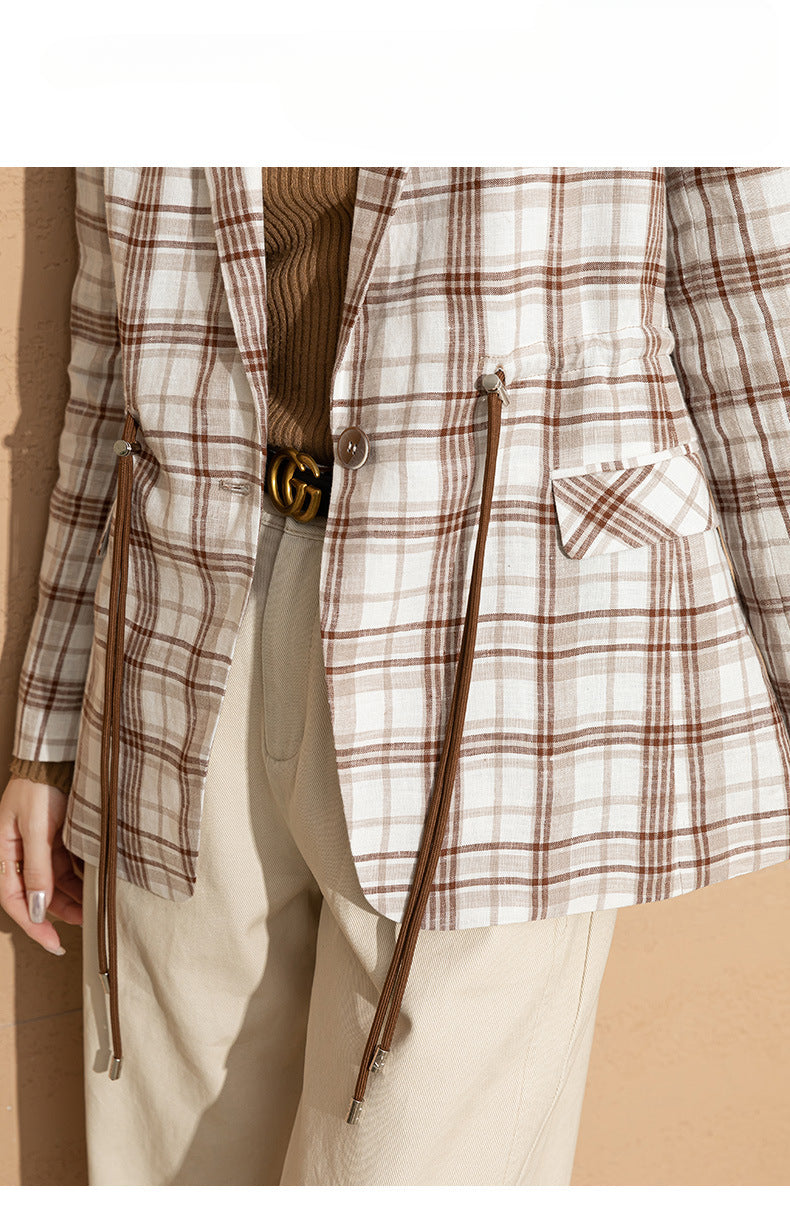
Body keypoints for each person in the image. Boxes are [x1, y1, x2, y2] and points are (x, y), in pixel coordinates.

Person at [2, 165, 790, 1186]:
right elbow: (106, 351)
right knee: (174, 1164)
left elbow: (756, 315)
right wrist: (50, 727)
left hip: (506, 632)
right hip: (179, 617)